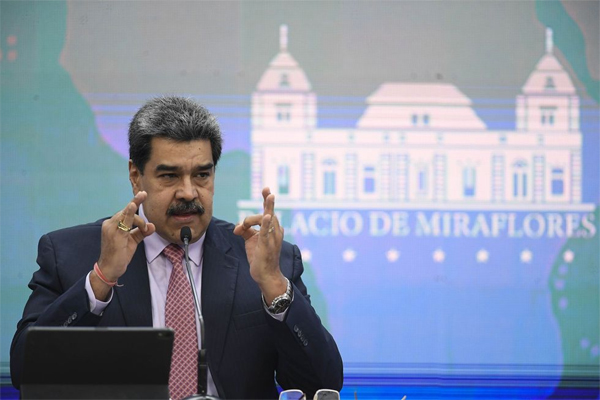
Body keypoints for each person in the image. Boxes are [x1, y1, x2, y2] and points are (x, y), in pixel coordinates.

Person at [10, 96, 343, 399]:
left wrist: (273, 286)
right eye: (169, 176)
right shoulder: (72, 253)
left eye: (201, 175)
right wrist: (100, 280)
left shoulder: (267, 260)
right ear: (136, 176)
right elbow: (25, 371)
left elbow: (323, 382)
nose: (188, 192)